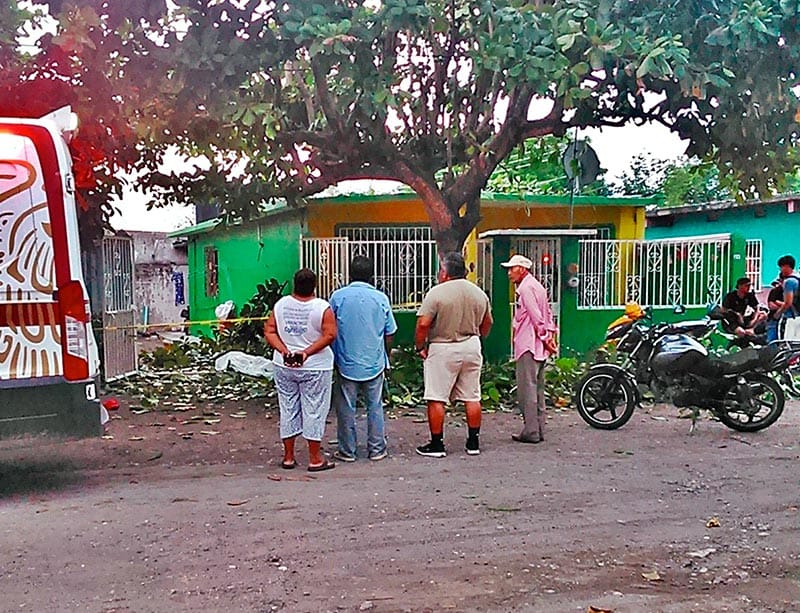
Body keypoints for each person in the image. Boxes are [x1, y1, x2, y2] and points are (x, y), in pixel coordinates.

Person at [414, 252, 493, 458]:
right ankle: (473, 442)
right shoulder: (478, 293)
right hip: (471, 345)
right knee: (472, 396)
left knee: (436, 397)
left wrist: (420, 346)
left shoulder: (437, 293)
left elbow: (423, 324)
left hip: (443, 347)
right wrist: (478, 337)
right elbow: (488, 322)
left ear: (445, 272)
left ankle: (437, 444)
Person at [264, 268, 337, 472]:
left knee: (287, 408)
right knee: (314, 409)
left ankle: (288, 457)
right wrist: (305, 353)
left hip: (284, 365)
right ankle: (315, 458)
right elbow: (330, 335)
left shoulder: (281, 304)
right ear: (315, 285)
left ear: (294, 283)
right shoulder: (322, 307)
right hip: (316, 367)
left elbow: (269, 330)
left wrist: (284, 351)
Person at [329, 256, 398, 462]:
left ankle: (347, 450)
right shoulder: (381, 298)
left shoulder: (338, 297)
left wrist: (333, 356)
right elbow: (390, 332)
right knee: (375, 406)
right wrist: (386, 355)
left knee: (346, 408)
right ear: (372, 276)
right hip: (374, 361)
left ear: (349, 274)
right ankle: (376, 449)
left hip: (345, 361)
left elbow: (329, 329)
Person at [502, 254, 558, 444]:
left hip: (529, 345)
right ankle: (539, 429)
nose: (509, 273)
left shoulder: (526, 289)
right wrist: (550, 337)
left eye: (512, 269)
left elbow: (536, 317)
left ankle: (531, 431)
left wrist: (545, 337)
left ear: (522, 269)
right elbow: (547, 314)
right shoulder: (537, 286)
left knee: (527, 390)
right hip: (539, 347)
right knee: (538, 389)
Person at [774, 254, 800, 338]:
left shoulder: (789, 282)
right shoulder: (798, 278)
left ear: (787, 266)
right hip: (798, 316)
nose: (780, 270)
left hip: (791, 318)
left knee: (787, 342)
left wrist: (778, 313)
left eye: (781, 267)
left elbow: (788, 303)